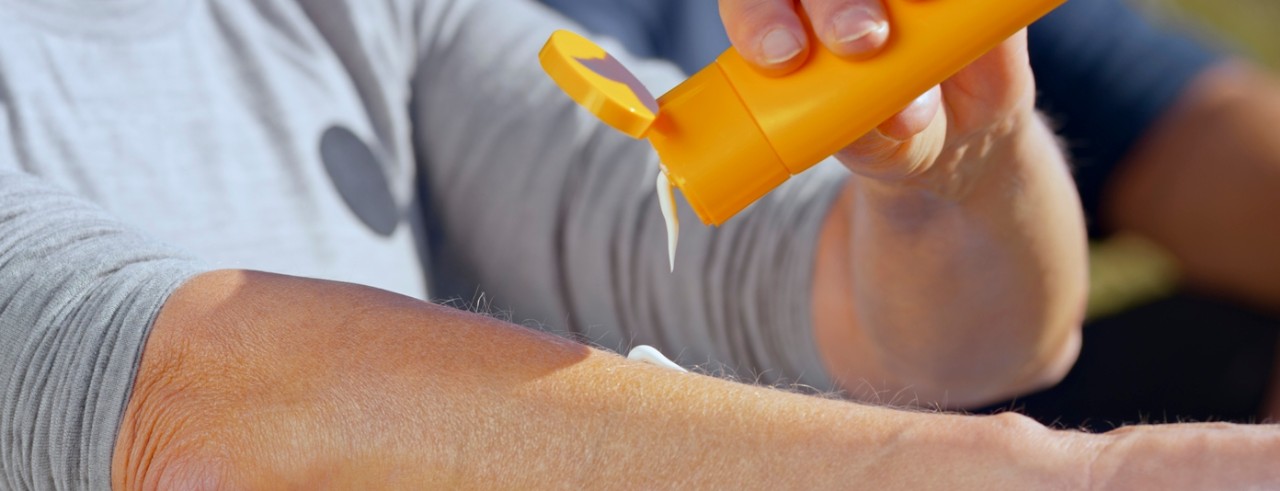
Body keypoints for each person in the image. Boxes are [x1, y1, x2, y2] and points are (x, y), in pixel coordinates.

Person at [0, 0, 1275, 488]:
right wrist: (1084, 479)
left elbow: (959, 334)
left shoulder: (364, 18)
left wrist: (952, 170)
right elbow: (201, 410)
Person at [536, 0, 1280, 420]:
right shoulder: (463, 51)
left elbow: (1182, 123)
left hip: (956, 355)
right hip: (774, 419)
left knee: (1236, 349)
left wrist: (964, 167)